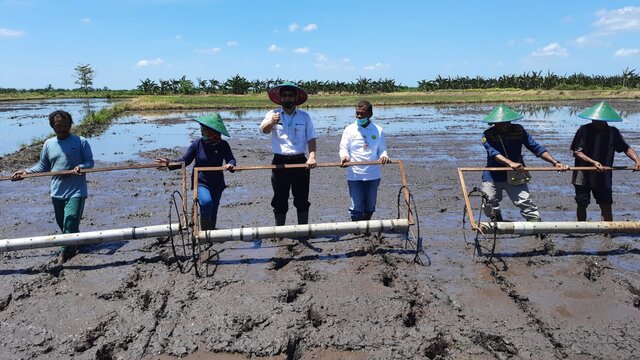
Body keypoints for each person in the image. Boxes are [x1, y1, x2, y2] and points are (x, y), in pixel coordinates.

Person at [11, 110, 94, 263]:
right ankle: (74, 243)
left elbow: (90, 162)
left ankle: (64, 252)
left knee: (71, 219)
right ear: (52, 127)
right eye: (58, 126)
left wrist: (81, 166)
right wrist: (25, 172)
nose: (62, 129)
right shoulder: (49, 144)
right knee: (63, 223)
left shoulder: (81, 141)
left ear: (70, 124)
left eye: (65, 125)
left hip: (76, 190)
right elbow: (43, 166)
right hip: (57, 191)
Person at [480, 104, 568, 223]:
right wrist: (511, 163)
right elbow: (494, 153)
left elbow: (535, 147)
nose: (504, 125)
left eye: (507, 122)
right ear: (494, 123)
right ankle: (497, 219)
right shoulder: (487, 135)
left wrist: (554, 162)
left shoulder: (519, 130)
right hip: (494, 174)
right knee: (488, 202)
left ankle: (537, 228)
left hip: (516, 173)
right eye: (501, 123)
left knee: (525, 202)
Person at [157, 113, 236, 230]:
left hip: (217, 182)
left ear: (212, 131)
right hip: (201, 181)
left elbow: (231, 159)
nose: (202, 131)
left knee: (214, 209)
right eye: (202, 128)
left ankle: (212, 232)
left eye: (204, 129)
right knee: (206, 203)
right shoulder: (197, 144)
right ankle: (204, 231)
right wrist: (170, 163)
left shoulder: (223, 145)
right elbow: (185, 160)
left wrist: (230, 164)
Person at [570, 101, 640, 222]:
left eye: (600, 121)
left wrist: (637, 160)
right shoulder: (583, 130)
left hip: (604, 176)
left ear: (606, 120)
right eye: (595, 120)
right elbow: (577, 152)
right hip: (583, 175)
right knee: (582, 204)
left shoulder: (613, 133)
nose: (597, 123)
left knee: (606, 204)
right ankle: (581, 229)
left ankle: (607, 233)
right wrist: (593, 162)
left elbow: (626, 148)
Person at [260, 82, 317, 226]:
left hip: (300, 162)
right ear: (280, 98)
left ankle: (303, 231)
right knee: (280, 198)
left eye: (290, 95)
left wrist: (312, 156)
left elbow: (311, 138)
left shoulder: (304, 117)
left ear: (296, 97)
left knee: (302, 199)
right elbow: (263, 131)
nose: (287, 98)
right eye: (284, 96)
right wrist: (272, 122)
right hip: (280, 162)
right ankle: (280, 232)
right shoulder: (273, 114)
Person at [339, 100, 390, 222]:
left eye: (362, 114)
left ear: (370, 114)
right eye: (357, 113)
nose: (358, 116)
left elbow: (382, 149)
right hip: (355, 174)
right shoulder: (349, 129)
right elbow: (343, 148)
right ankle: (357, 227)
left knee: (370, 205)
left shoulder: (378, 130)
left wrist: (384, 156)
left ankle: (366, 225)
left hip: (373, 174)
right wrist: (345, 157)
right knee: (356, 206)